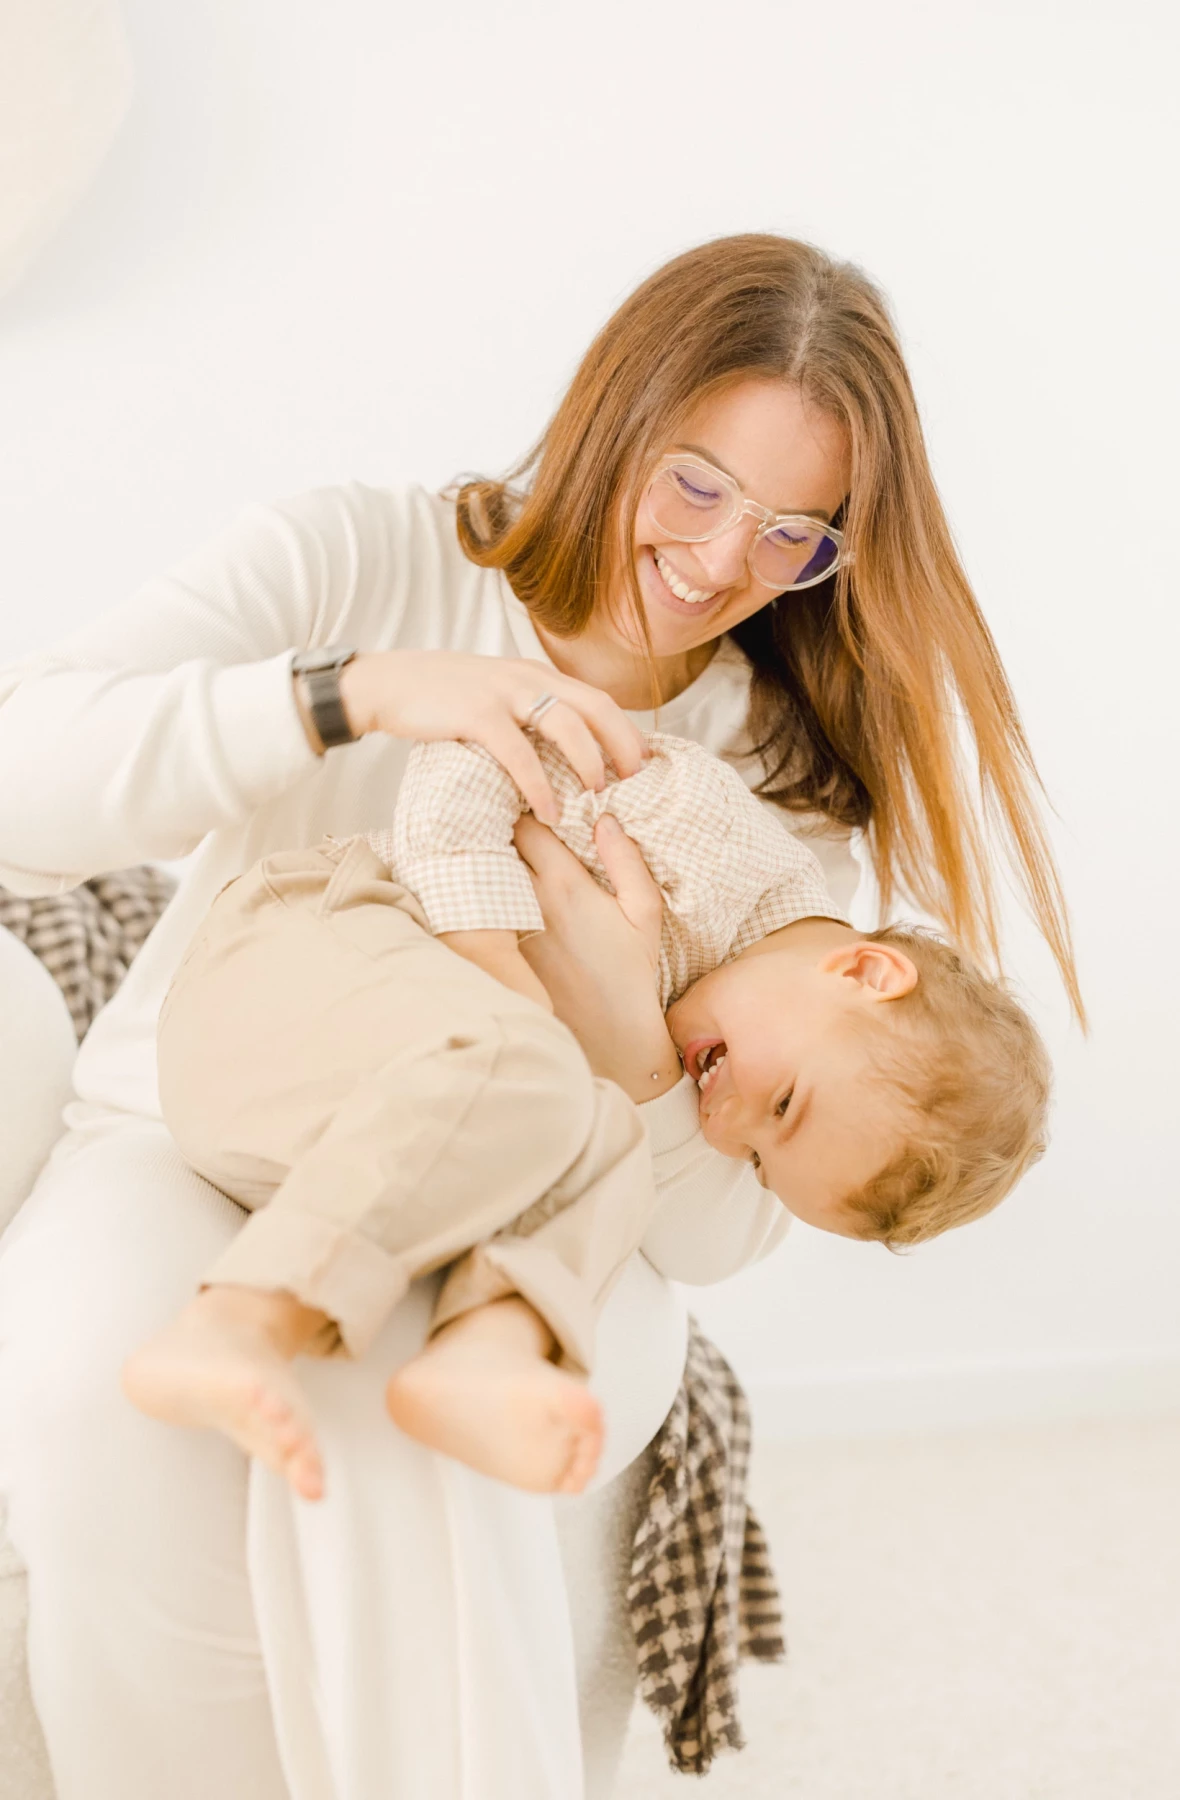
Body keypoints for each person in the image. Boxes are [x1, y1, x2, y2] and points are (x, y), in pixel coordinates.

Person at [0, 234, 1081, 1800]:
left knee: (410, 1436)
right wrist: (354, 695)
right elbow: (18, 779)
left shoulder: (771, 776)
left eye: (793, 536)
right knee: (89, 1388)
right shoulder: (363, 554)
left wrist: (629, 1043)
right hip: (189, 1126)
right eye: (697, 484)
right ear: (614, 413)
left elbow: (721, 1225)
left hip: (540, 1202)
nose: (718, 565)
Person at [126, 728, 1050, 1505]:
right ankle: (236, 1326)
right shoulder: (709, 834)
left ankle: (487, 1350)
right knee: (538, 1074)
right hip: (297, 953)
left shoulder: (679, 1061)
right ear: (862, 971)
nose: (724, 1130)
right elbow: (473, 754)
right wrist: (486, 947)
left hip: (313, 1116)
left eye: (757, 1162)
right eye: (783, 1105)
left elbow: (689, 1215)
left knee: (606, 1135)